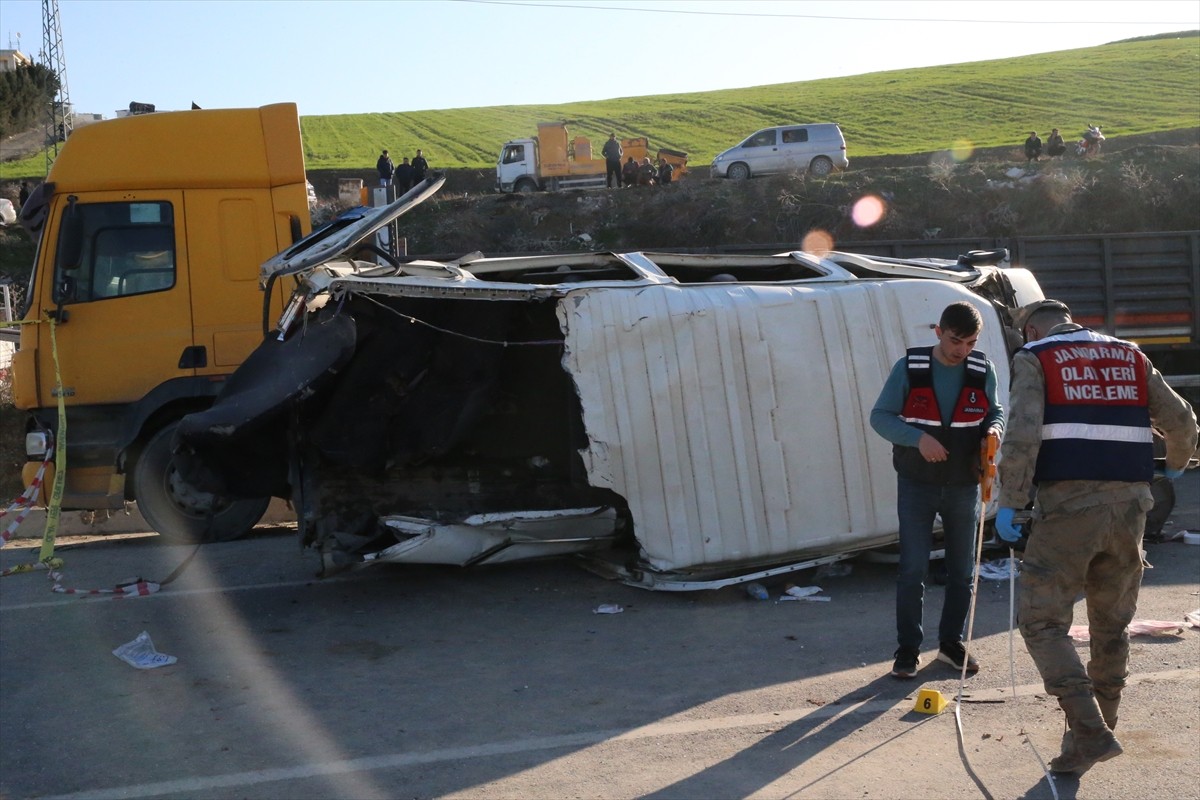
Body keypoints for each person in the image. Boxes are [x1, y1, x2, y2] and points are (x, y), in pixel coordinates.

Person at [996, 299, 1197, 775]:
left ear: (1031, 330)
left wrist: (1011, 502)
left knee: (1042, 622)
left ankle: (1087, 730)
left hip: (1068, 509)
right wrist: (1177, 462)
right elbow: (1183, 421)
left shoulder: (1036, 357)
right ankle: (1088, 742)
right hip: (1132, 509)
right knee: (1111, 626)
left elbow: (1022, 436)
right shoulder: (1130, 354)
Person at [870, 301, 1005, 680]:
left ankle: (951, 644)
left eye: (971, 343)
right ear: (938, 332)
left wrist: (995, 430)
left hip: (964, 484)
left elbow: (995, 412)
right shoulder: (910, 368)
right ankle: (908, 651)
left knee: (962, 571)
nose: (962, 350)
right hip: (917, 484)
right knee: (913, 570)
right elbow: (879, 417)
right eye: (955, 340)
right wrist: (918, 439)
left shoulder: (983, 370)